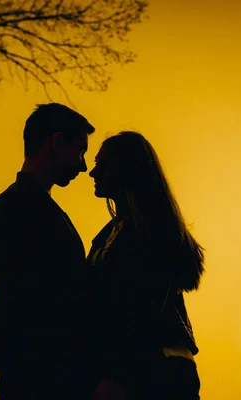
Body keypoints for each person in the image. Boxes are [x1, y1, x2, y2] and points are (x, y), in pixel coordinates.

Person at [0, 103, 95, 399]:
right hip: (43, 379)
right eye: (80, 151)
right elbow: (40, 300)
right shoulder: (25, 208)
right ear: (57, 143)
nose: (84, 166)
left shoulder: (20, 205)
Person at [88, 131, 204, 400]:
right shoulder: (114, 234)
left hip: (156, 371)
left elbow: (139, 313)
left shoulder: (148, 235)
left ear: (125, 170)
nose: (92, 172)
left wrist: (117, 376)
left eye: (101, 164)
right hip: (145, 368)